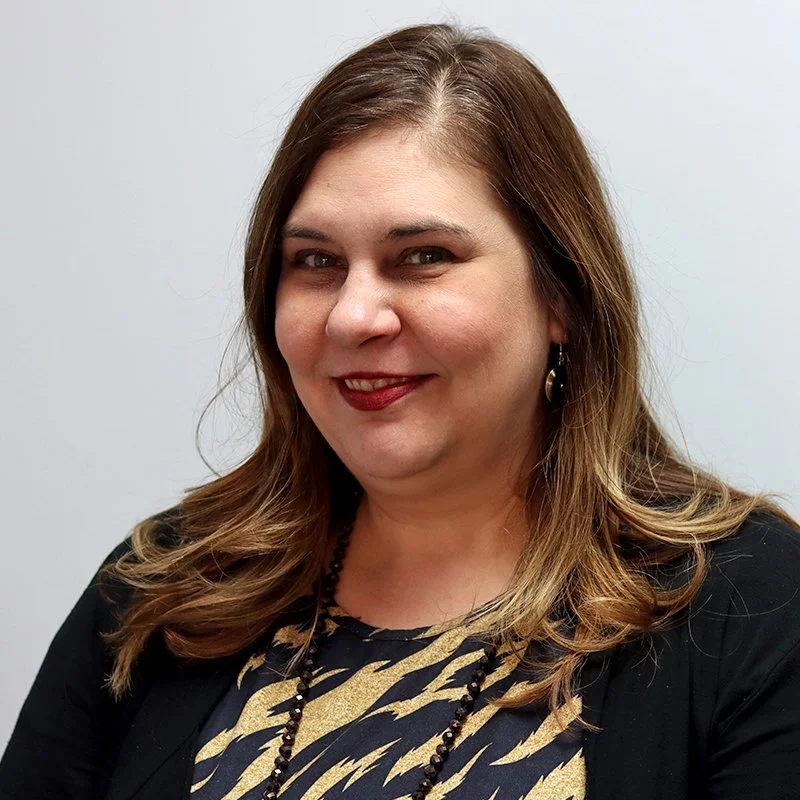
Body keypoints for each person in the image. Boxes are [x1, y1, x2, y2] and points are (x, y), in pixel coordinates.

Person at [1, 21, 799, 800]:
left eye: (422, 257)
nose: (352, 317)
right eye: (314, 262)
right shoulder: (162, 588)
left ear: (561, 294)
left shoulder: (755, 604)